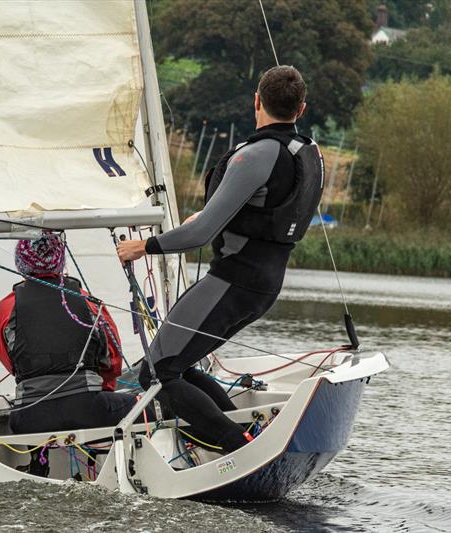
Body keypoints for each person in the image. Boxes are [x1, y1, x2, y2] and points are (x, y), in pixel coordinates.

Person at [116, 65, 324, 453]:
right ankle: (248, 441)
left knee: (158, 372)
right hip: (264, 286)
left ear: (256, 101)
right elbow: (267, 214)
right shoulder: (308, 153)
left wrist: (143, 247)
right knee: (179, 364)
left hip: (231, 282)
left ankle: (238, 448)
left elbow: (201, 234)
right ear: (302, 108)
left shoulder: (258, 154)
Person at [0, 233, 145, 435]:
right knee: (159, 408)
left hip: (28, 417)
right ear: (60, 262)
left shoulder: (6, 308)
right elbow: (113, 361)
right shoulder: (88, 302)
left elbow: (8, 358)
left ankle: (39, 462)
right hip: (89, 410)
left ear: (20, 264)